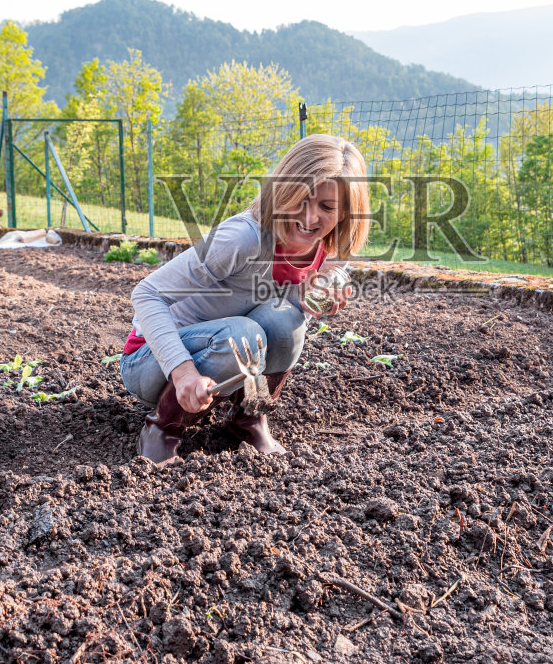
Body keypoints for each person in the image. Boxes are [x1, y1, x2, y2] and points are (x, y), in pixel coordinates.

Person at [122, 134, 371, 463]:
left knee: (287, 318)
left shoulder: (332, 249)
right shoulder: (242, 239)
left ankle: (247, 420)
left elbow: (316, 288)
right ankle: (163, 428)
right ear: (282, 190)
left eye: (327, 207)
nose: (311, 218)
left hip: (218, 366)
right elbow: (147, 293)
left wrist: (320, 294)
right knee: (243, 335)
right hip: (152, 362)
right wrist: (183, 374)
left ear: (344, 214)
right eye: (301, 199)